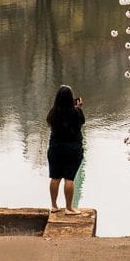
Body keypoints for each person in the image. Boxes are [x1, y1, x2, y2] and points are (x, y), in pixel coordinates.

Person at [46, 84, 85, 213]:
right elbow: (81, 123)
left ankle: (54, 206)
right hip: (72, 149)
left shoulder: (53, 113)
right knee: (69, 178)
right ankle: (69, 208)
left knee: (55, 177)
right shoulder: (76, 112)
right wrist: (78, 108)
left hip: (55, 149)